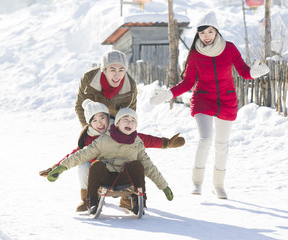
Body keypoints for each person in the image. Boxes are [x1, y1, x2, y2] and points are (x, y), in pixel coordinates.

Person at [150, 11, 269, 199]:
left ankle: (218, 185)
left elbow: (244, 72)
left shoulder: (229, 49)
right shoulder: (196, 55)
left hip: (226, 100)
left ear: (216, 32)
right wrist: (167, 94)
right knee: (205, 139)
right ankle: (197, 183)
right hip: (203, 99)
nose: (206, 36)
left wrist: (255, 72)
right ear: (198, 34)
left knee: (222, 144)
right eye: (202, 33)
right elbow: (188, 83)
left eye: (210, 32)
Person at [39, 99, 184, 212]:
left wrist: (166, 143)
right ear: (89, 124)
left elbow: (147, 152)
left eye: (102, 118)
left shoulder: (125, 128)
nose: (100, 123)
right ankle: (88, 199)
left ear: (110, 118)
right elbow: (78, 154)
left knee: (138, 165)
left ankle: (134, 199)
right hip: (102, 172)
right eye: (94, 120)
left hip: (124, 173)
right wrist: (58, 167)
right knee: (85, 164)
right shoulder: (91, 138)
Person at [75, 49, 136, 127]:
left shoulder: (130, 86)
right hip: (94, 124)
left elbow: (130, 115)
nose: (117, 75)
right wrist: (89, 132)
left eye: (121, 70)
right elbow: (81, 107)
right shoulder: (89, 79)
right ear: (104, 70)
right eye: (112, 70)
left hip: (116, 127)